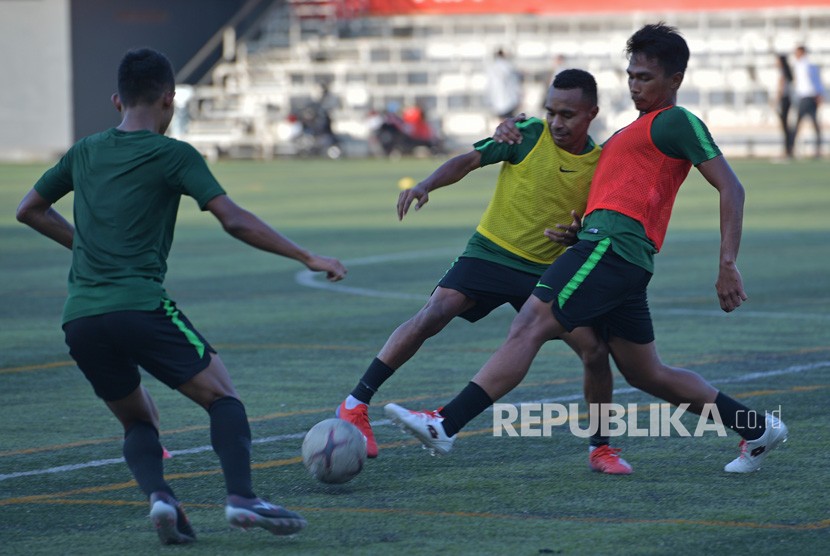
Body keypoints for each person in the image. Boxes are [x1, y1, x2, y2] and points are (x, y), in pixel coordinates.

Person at [385, 23, 788, 474]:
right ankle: (756, 428)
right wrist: (578, 229)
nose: (635, 84)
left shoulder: (676, 120)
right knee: (646, 373)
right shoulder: (629, 133)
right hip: (612, 254)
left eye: (646, 77)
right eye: (631, 75)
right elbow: (625, 195)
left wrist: (728, 263)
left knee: (530, 323)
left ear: (675, 80)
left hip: (612, 250)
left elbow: (731, 186)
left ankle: (446, 423)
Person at [15, 48, 347, 545]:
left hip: (80, 318)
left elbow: (30, 209)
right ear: (169, 101)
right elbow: (233, 218)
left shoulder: (84, 151)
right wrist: (306, 256)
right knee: (222, 397)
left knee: (138, 419)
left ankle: (161, 499)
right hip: (140, 306)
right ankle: (241, 498)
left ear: (116, 100)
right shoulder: (174, 154)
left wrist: (86, 245)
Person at [337, 69, 634, 474]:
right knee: (434, 314)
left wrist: (576, 233)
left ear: (592, 114)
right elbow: (470, 160)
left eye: (567, 114)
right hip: (492, 251)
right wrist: (427, 184)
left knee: (596, 351)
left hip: (546, 270)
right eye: (551, 112)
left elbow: (595, 222)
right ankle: (355, 403)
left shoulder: (600, 164)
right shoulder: (526, 134)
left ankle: (601, 448)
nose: (556, 122)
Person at [790, 45, 824, 158]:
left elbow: (813, 81)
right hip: (809, 97)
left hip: (807, 97)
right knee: (814, 124)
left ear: (802, 52)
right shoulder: (804, 65)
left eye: (797, 52)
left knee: (798, 124)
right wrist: (819, 94)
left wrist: (818, 93)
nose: (795, 54)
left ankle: (792, 149)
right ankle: (817, 150)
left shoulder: (804, 65)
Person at [485, 48, 524, 125]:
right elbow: (516, 83)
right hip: (509, 100)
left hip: (498, 100)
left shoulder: (492, 68)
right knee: (510, 123)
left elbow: (489, 86)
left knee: (503, 122)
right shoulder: (509, 67)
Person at [774, 54, 794, 159]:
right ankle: (789, 149)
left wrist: (776, 101)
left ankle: (787, 151)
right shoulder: (788, 73)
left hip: (783, 100)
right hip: (788, 100)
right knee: (786, 126)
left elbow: (781, 89)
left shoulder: (782, 73)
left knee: (784, 127)